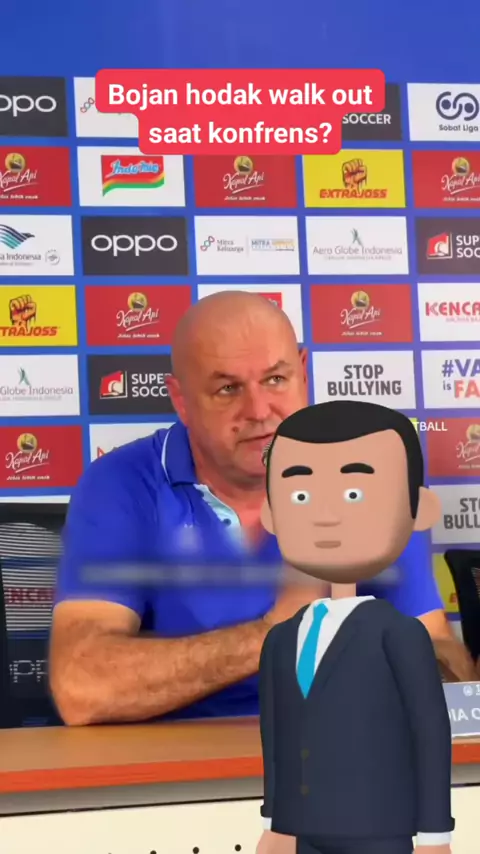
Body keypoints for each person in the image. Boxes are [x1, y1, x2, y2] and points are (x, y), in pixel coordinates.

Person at [49, 291, 474, 726]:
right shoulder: (122, 483)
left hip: (342, 748)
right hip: (179, 757)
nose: (258, 410)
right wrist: (278, 632)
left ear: (303, 373)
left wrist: (421, 664)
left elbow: (439, 650)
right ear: (181, 400)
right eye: (227, 388)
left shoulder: (374, 473)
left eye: (275, 380)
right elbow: (81, 688)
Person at [257, 401, 453, 854]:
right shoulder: (280, 640)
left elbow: (428, 733)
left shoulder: (397, 634)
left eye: (353, 494)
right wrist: (274, 822)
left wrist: (434, 835)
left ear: (419, 509)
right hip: (302, 830)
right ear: (271, 515)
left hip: (378, 830)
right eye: (300, 497)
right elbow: (278, 738)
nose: (325, 516)